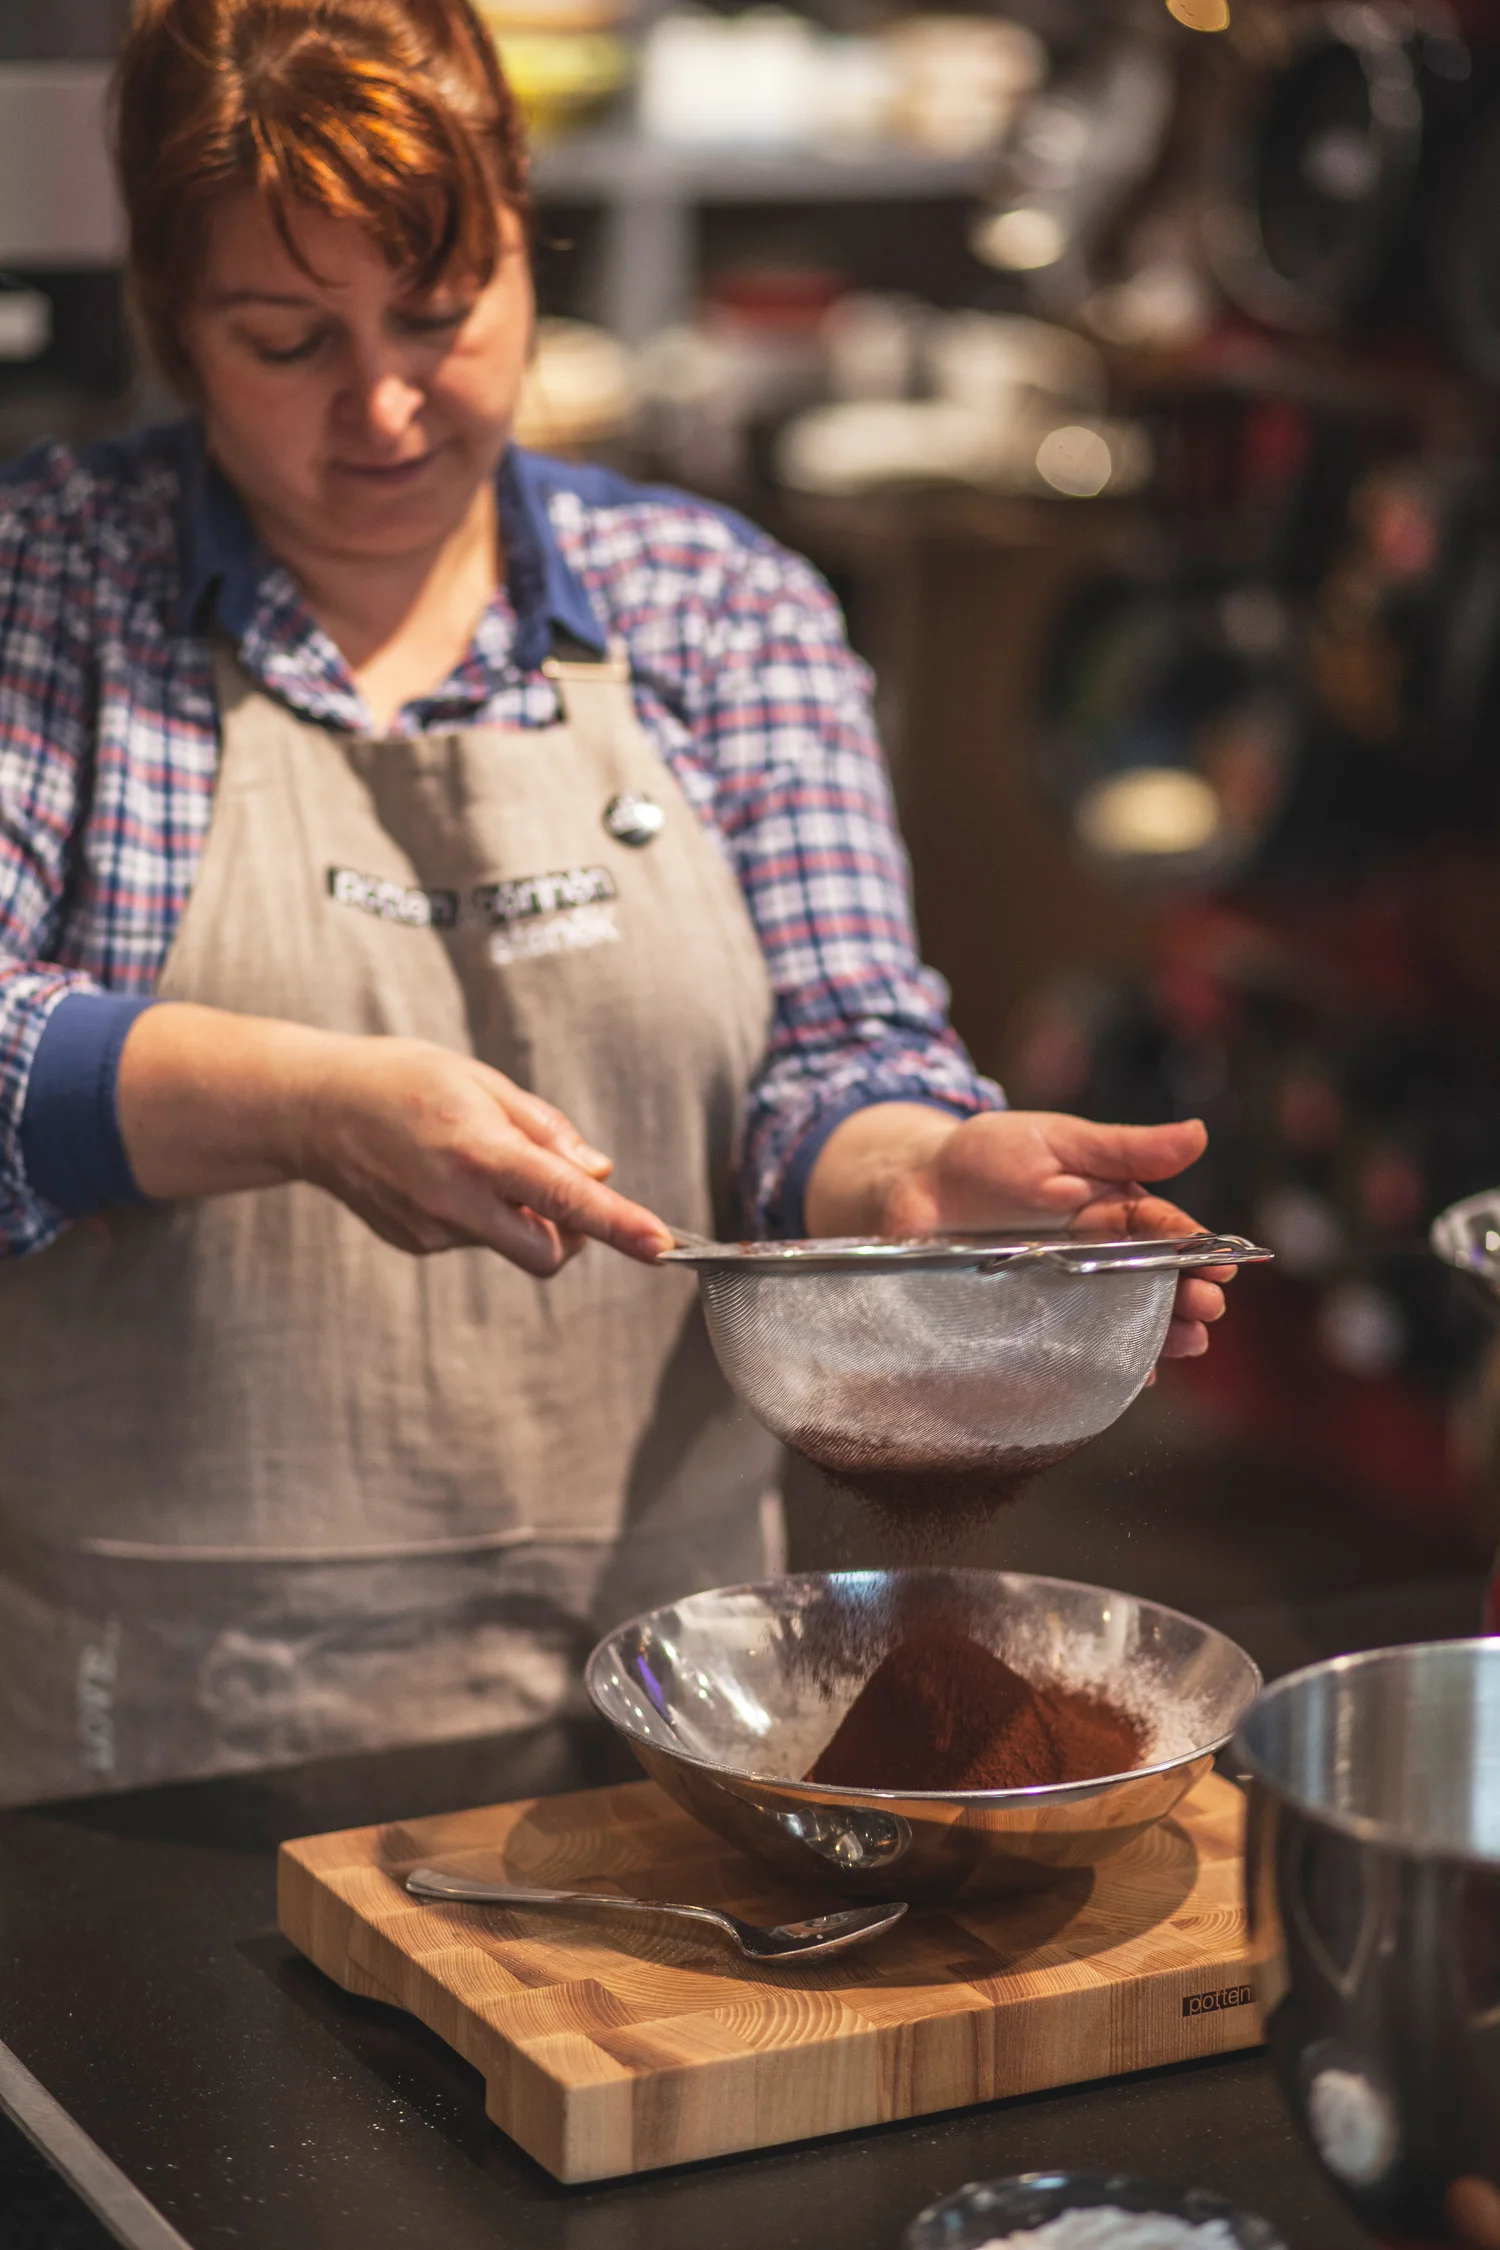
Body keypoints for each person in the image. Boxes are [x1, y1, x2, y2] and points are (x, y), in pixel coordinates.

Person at [0, 0, 1229, 1806]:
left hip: (674, 1710)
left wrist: (913, 1180)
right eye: (288, 339)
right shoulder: (50, 593)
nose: (387, 403)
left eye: (443, 313)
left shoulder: (714, 606)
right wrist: (299, 1100)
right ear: (171, 321)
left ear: (525, 242)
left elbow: (833, 1053)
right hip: (166, 1744)